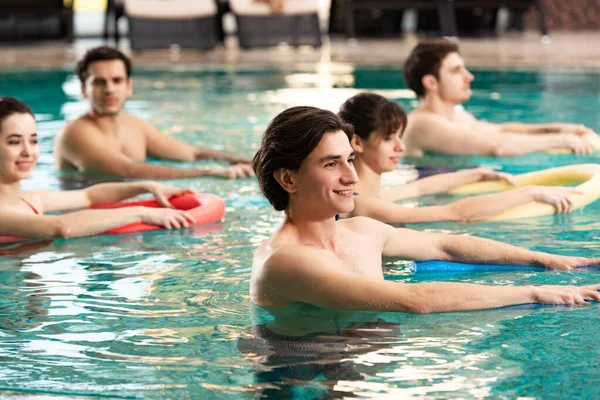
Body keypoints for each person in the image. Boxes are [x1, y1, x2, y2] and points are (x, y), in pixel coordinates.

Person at [250, 106, 600, 313]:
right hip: (301, 381)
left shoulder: (361, 231)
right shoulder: (286, 261)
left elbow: (445, 245)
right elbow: (417, 300)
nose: (352, 175)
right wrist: (533, 293)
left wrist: (545, 259)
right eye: (331, 165)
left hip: (356, 366)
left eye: (350, 160)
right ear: (289, 180)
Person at [337, 92, 582, 223]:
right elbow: (456, 213)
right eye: (390, 138)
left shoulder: (365, 196)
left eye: (400, 137)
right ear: (357, 142)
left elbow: (420, 187)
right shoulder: (361, 204)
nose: (400, 147)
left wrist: (474, 174)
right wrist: (531, 192)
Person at [0, 97, 196, 239]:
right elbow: (60, 227)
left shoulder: (31, 202)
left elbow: (89, 196)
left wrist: (147, 186)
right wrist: (141, 212)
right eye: (14, 142)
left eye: (33, 141)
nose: (28, 151)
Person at [54, 46, 254, 179]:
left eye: (117, 80)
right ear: (83, 90)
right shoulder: (75, 134)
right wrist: (209, 173)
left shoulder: (135, 126)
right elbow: (129, 170)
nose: (109, 89)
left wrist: (248, 161)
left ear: (128, 86)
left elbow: (192, 154)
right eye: (99, 82)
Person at [401, 40, 598, 157]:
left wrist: (557, 128)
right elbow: (498, 147)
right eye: (456, 71)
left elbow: (501, 130)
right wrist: (561, 140)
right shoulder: (423, 124)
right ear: (431, 82)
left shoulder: (458, 118)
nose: (469, 77)